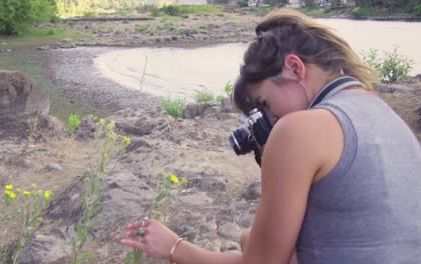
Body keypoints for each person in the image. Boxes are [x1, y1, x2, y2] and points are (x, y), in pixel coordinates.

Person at [120, 9, 421, 264]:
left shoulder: (299, 130)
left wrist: (175, 247)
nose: (271, 120)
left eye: (264, 104)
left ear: (294, 68)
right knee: (248, 237)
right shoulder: (382, 113)